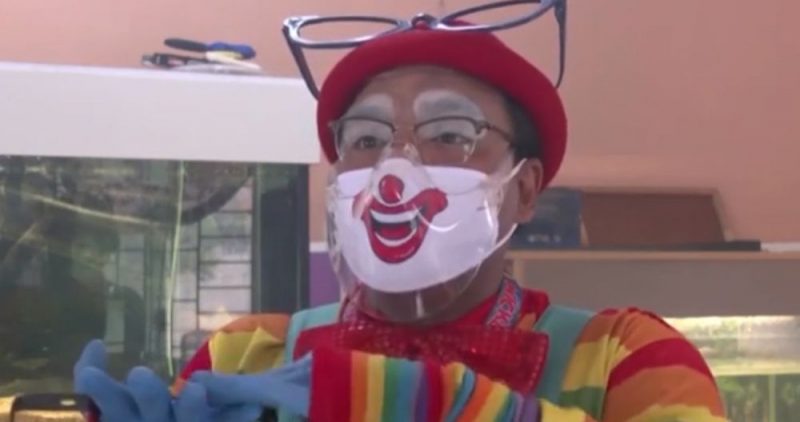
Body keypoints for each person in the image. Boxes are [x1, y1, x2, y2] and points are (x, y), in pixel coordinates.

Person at [72, 5, 728, 422]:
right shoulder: (245, 356)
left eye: (450, 133)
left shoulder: (624, 359)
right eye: (365, 139)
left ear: (525, 190)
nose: (394, 169)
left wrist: (447, 406)